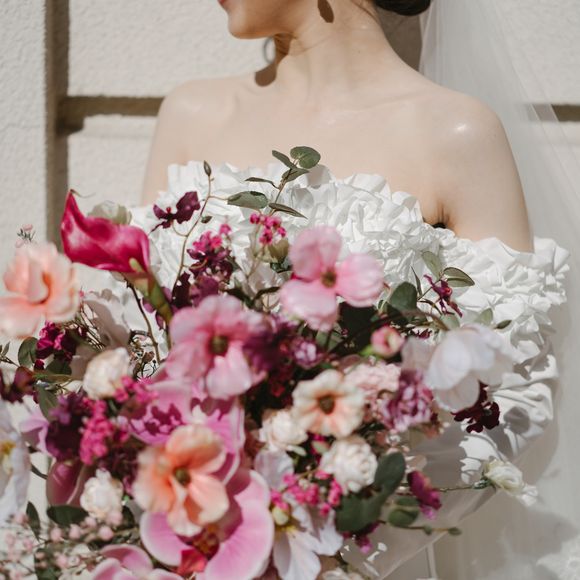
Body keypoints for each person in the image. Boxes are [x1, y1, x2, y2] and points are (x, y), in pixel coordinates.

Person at [139, 1, 573, 577]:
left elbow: (511, 391)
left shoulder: (455, 132)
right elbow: (139, 337)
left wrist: (330, 545)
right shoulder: (191, 114)